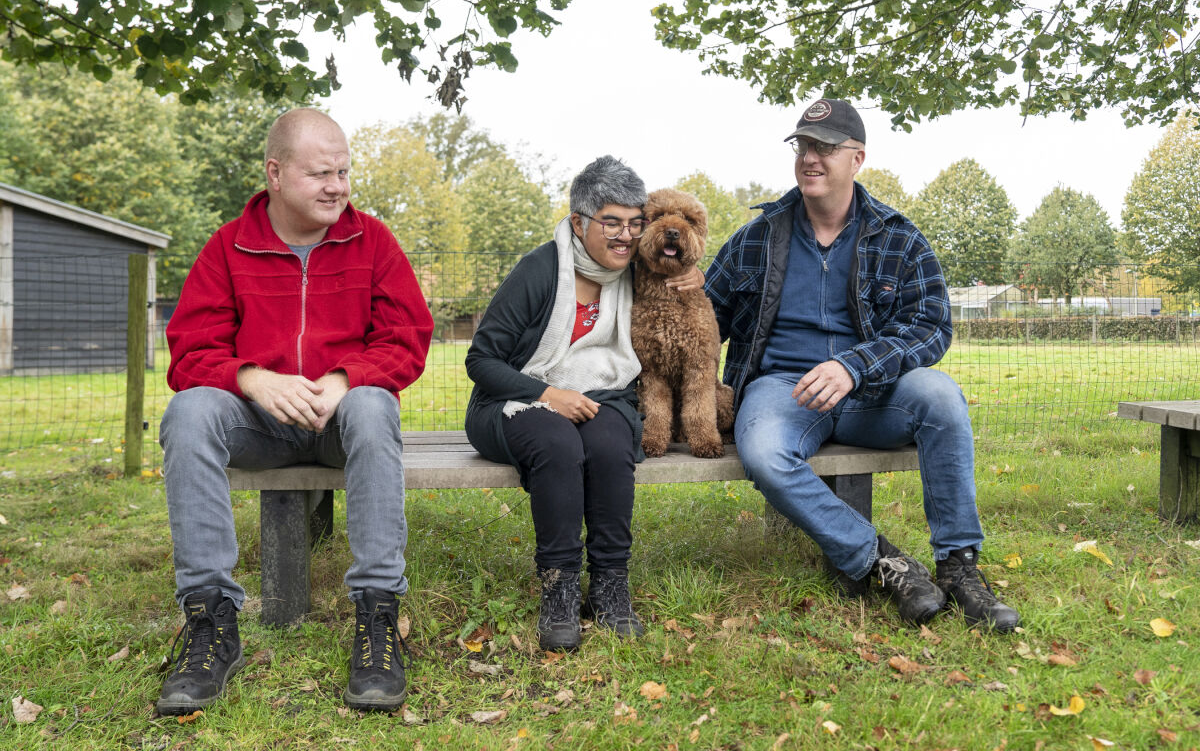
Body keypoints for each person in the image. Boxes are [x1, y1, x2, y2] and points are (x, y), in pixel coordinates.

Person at [704, 98, 1019, 633]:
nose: (811, 158)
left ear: (858, 159)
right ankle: (884, 562)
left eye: (825, 148)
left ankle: (959, 567)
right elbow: (704, 314)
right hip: (783, 390)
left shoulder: (897, 236)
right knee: (762, 451)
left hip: (873, 392)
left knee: (941, 397)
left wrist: (855, 366)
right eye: (803, 146)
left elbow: (931, 326)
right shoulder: (757, 236)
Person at [156, 108, 434, 714]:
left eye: (344, 171)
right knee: (189, 411)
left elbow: (408, 337)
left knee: (371, 403)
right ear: (275, 174)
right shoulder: (229, 247)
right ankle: (210, 622)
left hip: (342, 423)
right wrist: (250, 379)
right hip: (262, 425)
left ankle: (378, 615)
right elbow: (189, 350)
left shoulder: (374, 241)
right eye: (320, 173)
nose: (338, 185)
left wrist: (345, 378)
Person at [464, 156, 702, 651]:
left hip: (602, 394)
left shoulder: (636, 270)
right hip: (513, 398)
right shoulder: (540, 270)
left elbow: (682, 267)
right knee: (556, 443)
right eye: (611, 222)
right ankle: (560, 586)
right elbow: (481, 360)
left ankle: (611, 584)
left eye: (635, 224)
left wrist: (698, 280)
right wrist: (549, 394)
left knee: (613, 444)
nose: (625, 235)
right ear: (579, 221)